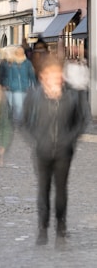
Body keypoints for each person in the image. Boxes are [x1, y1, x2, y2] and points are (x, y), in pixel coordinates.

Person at [22, 55, 90, 246]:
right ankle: (42, 228)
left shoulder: (72, 96)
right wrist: (36, 139)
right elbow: (24, 122)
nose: (56, 78)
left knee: (61, 190)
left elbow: (82, 120)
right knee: (43, 190)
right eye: (51, 74)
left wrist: (71, 139)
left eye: (58, 74)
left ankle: (61, 227)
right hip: (42, 151)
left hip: (63, 151)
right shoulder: (33, 96)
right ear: (43, 76)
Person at [1, 45, 36, 124]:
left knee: (23, 106)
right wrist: (8, 85)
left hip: (25, 87)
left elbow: (31, 75)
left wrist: (35, 85)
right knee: (18, 106)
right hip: (15, 88)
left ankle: (20, 121)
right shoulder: (12, 63)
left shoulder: (27, 63)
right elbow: (10, 75)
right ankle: (17, 122)